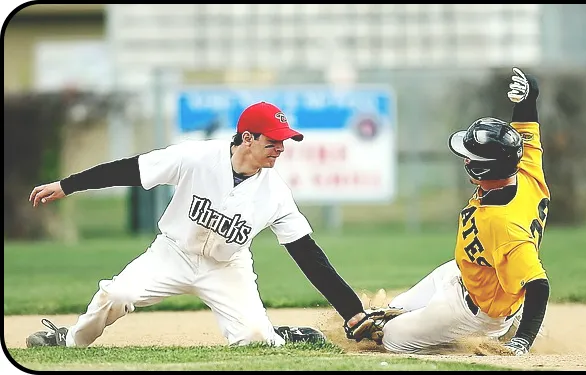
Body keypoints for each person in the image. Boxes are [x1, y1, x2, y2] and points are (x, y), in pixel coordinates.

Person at [26, 101, 380, 348]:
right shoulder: (195, 157)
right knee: (117, 294)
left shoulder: (275, 194)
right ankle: (69, 339)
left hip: (227, 268)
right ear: (247, 138)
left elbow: (309, 256)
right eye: (273, 141)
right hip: (172, 254)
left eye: (284, 142)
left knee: (254, 339)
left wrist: (351, 312)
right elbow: (130, 170)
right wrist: (67, 185)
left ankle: (279, 335)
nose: (280, 149)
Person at [355, 67, 551, 356]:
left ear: (481, 168)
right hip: (466, 272)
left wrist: (523, 341)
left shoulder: (504, 224)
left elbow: (538, 285)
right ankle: (429, 319)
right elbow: (525, 130)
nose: (465, 160)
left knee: (388, 339)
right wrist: (527, 97)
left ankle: (480, 338)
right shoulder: (525, 170)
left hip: (476, 311)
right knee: (390, 311)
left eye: (469, 157)